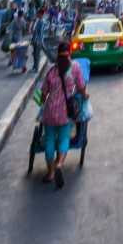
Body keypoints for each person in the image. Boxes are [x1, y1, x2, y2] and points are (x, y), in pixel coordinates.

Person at [40, 40, 87, 189]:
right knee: (63, 139)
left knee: (49, 140)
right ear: (69, 54)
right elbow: (81, 87)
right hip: (66, 113)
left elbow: (43, 94)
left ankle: (50, 173)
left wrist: (43, 101)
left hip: (50, 112)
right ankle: (59, 164)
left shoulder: (51, 71)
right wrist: (85, 95)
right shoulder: (75, 68)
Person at [31, 8, 47, 73]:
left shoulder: (41, 22)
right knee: (34, 54)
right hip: (36, 40)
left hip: (38, 41)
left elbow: (40, 33)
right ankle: (34, 66)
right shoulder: (39, 21)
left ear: (41, 14)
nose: (37, 14)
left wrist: (38, 41)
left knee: (36, 55)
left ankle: (36, 68)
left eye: (38, 13)